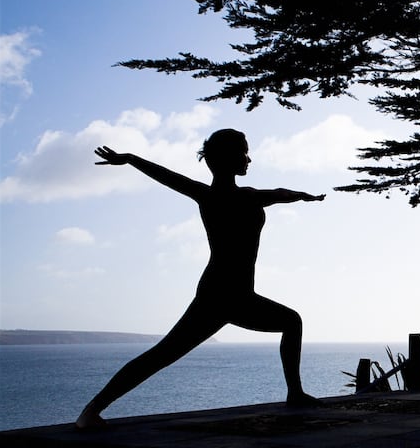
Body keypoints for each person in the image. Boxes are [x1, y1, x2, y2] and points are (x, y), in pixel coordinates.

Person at [76, 128, 325, 430]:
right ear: (228, 158)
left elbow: (278, 195)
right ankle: (91, 410)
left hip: (240, 296)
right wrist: (130, 159)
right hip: (217, 295)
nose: (249, 158)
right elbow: (166, 176)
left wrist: (303, 196)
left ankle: (295, 394)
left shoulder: (246, 196)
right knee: (162, 355)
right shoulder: (210, 196)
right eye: (244, 152)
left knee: (291, 321)